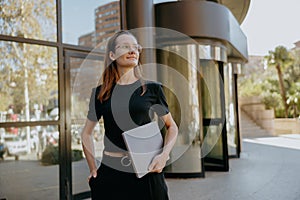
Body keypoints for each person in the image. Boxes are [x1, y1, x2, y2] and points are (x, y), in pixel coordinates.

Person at [81, 30, 178, 200]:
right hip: (111, 174)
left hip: (147, 171)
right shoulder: (100, 93)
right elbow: (86, 133)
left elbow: (172, 127)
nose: (132, 51)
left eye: (136, 47)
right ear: (112, 54)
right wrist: (93, 168)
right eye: (125, 46)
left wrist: (163, 156)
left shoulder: (152, 89)